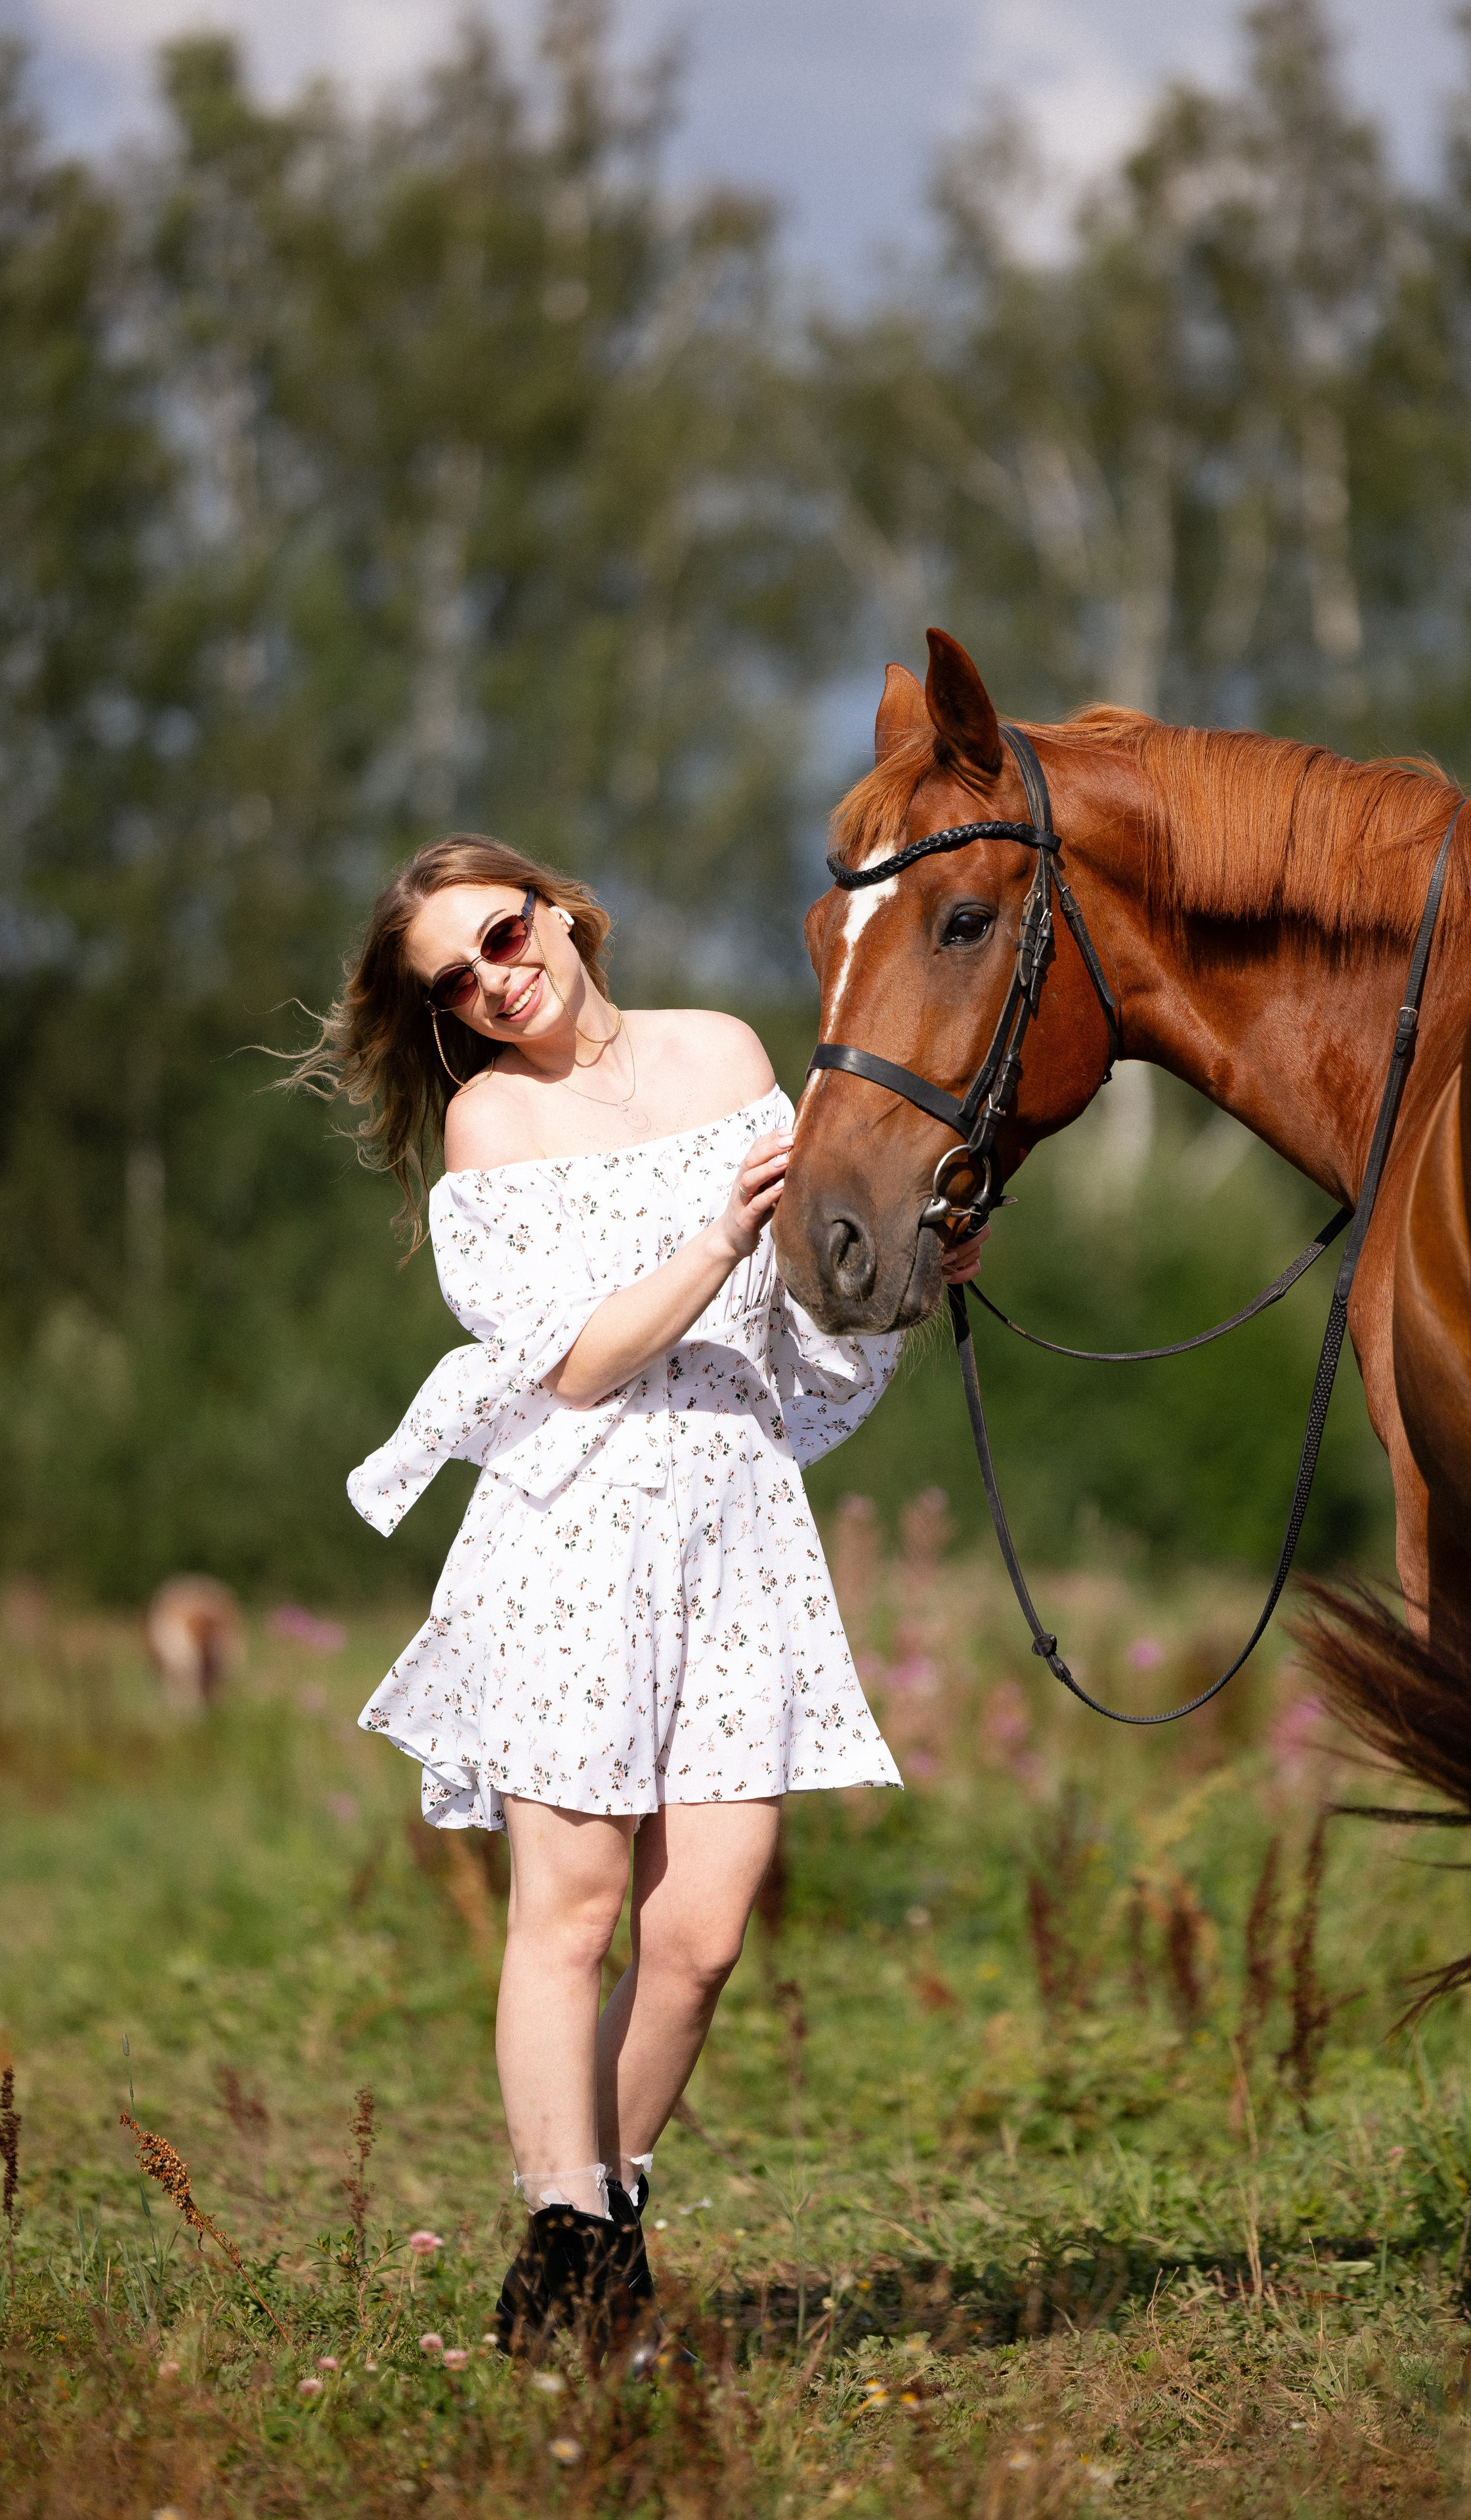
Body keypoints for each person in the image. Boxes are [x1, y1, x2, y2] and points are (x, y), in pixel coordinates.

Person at [291, 835, 985, 2364]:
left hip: (732, 1522)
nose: (490, 976)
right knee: (577, 1907)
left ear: (558, 906)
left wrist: (906, 1265)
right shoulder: (488, 1125)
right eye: (453, 980)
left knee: (703, 1931)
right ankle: (579, 2241)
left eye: (500, 932)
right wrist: (715, 1232)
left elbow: (797, 1303)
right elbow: (581, 1356)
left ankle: (592, 2222)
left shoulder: (723, 1051)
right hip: (571, 1535)